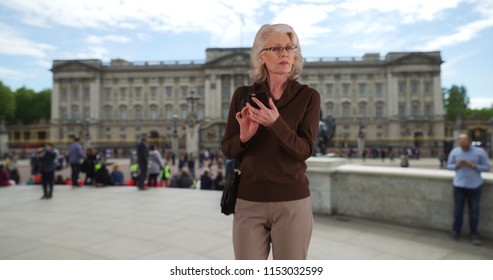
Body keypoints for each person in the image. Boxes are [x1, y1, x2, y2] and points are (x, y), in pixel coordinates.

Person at [222, 24, 320, 260]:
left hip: (292, 201)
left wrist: (275, 122)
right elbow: (228, 149)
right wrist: (244, 137)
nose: (284, 53)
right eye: (275, 48)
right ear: (261, 56)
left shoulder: (308, 97)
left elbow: (303, 151)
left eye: (289, 47)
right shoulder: (243, 95)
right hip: (248, 200)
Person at [447, 133, 490, 245]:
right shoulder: (455, 151)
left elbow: (487, 168)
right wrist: (456, 166)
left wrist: (474, 165)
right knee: (457, 211)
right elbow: (449, 166)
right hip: (459, 186)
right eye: (461, 145)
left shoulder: (480, 152)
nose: (463, 147)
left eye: (465, 145)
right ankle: (456, 231)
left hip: (475, 186)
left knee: (474, 212)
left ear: (470, 141)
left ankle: (474, 233)